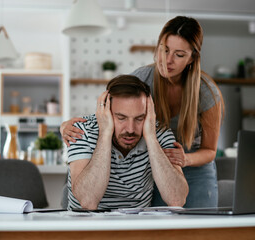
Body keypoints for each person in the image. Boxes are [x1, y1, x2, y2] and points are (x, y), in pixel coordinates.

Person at [62, 16, 224, 208]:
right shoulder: (142, 79)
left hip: (189, 160)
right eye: (164, 50)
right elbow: (112, 111)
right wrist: (67, 125)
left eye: (179, 55)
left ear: (192, 59)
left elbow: (210, 150)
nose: (167, 60)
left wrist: (184, 158)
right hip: (156, 158)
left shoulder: (206, 94)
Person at [66, 75, 188, 210]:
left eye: (139, 118)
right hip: (87, 226)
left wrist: (151, 137)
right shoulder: (82, 130)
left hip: (137, 226)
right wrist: (105, 134)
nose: (130, 129)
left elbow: (177, 199)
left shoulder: (159, 132)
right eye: (121, 118)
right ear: (105, 112)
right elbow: (88, 201)